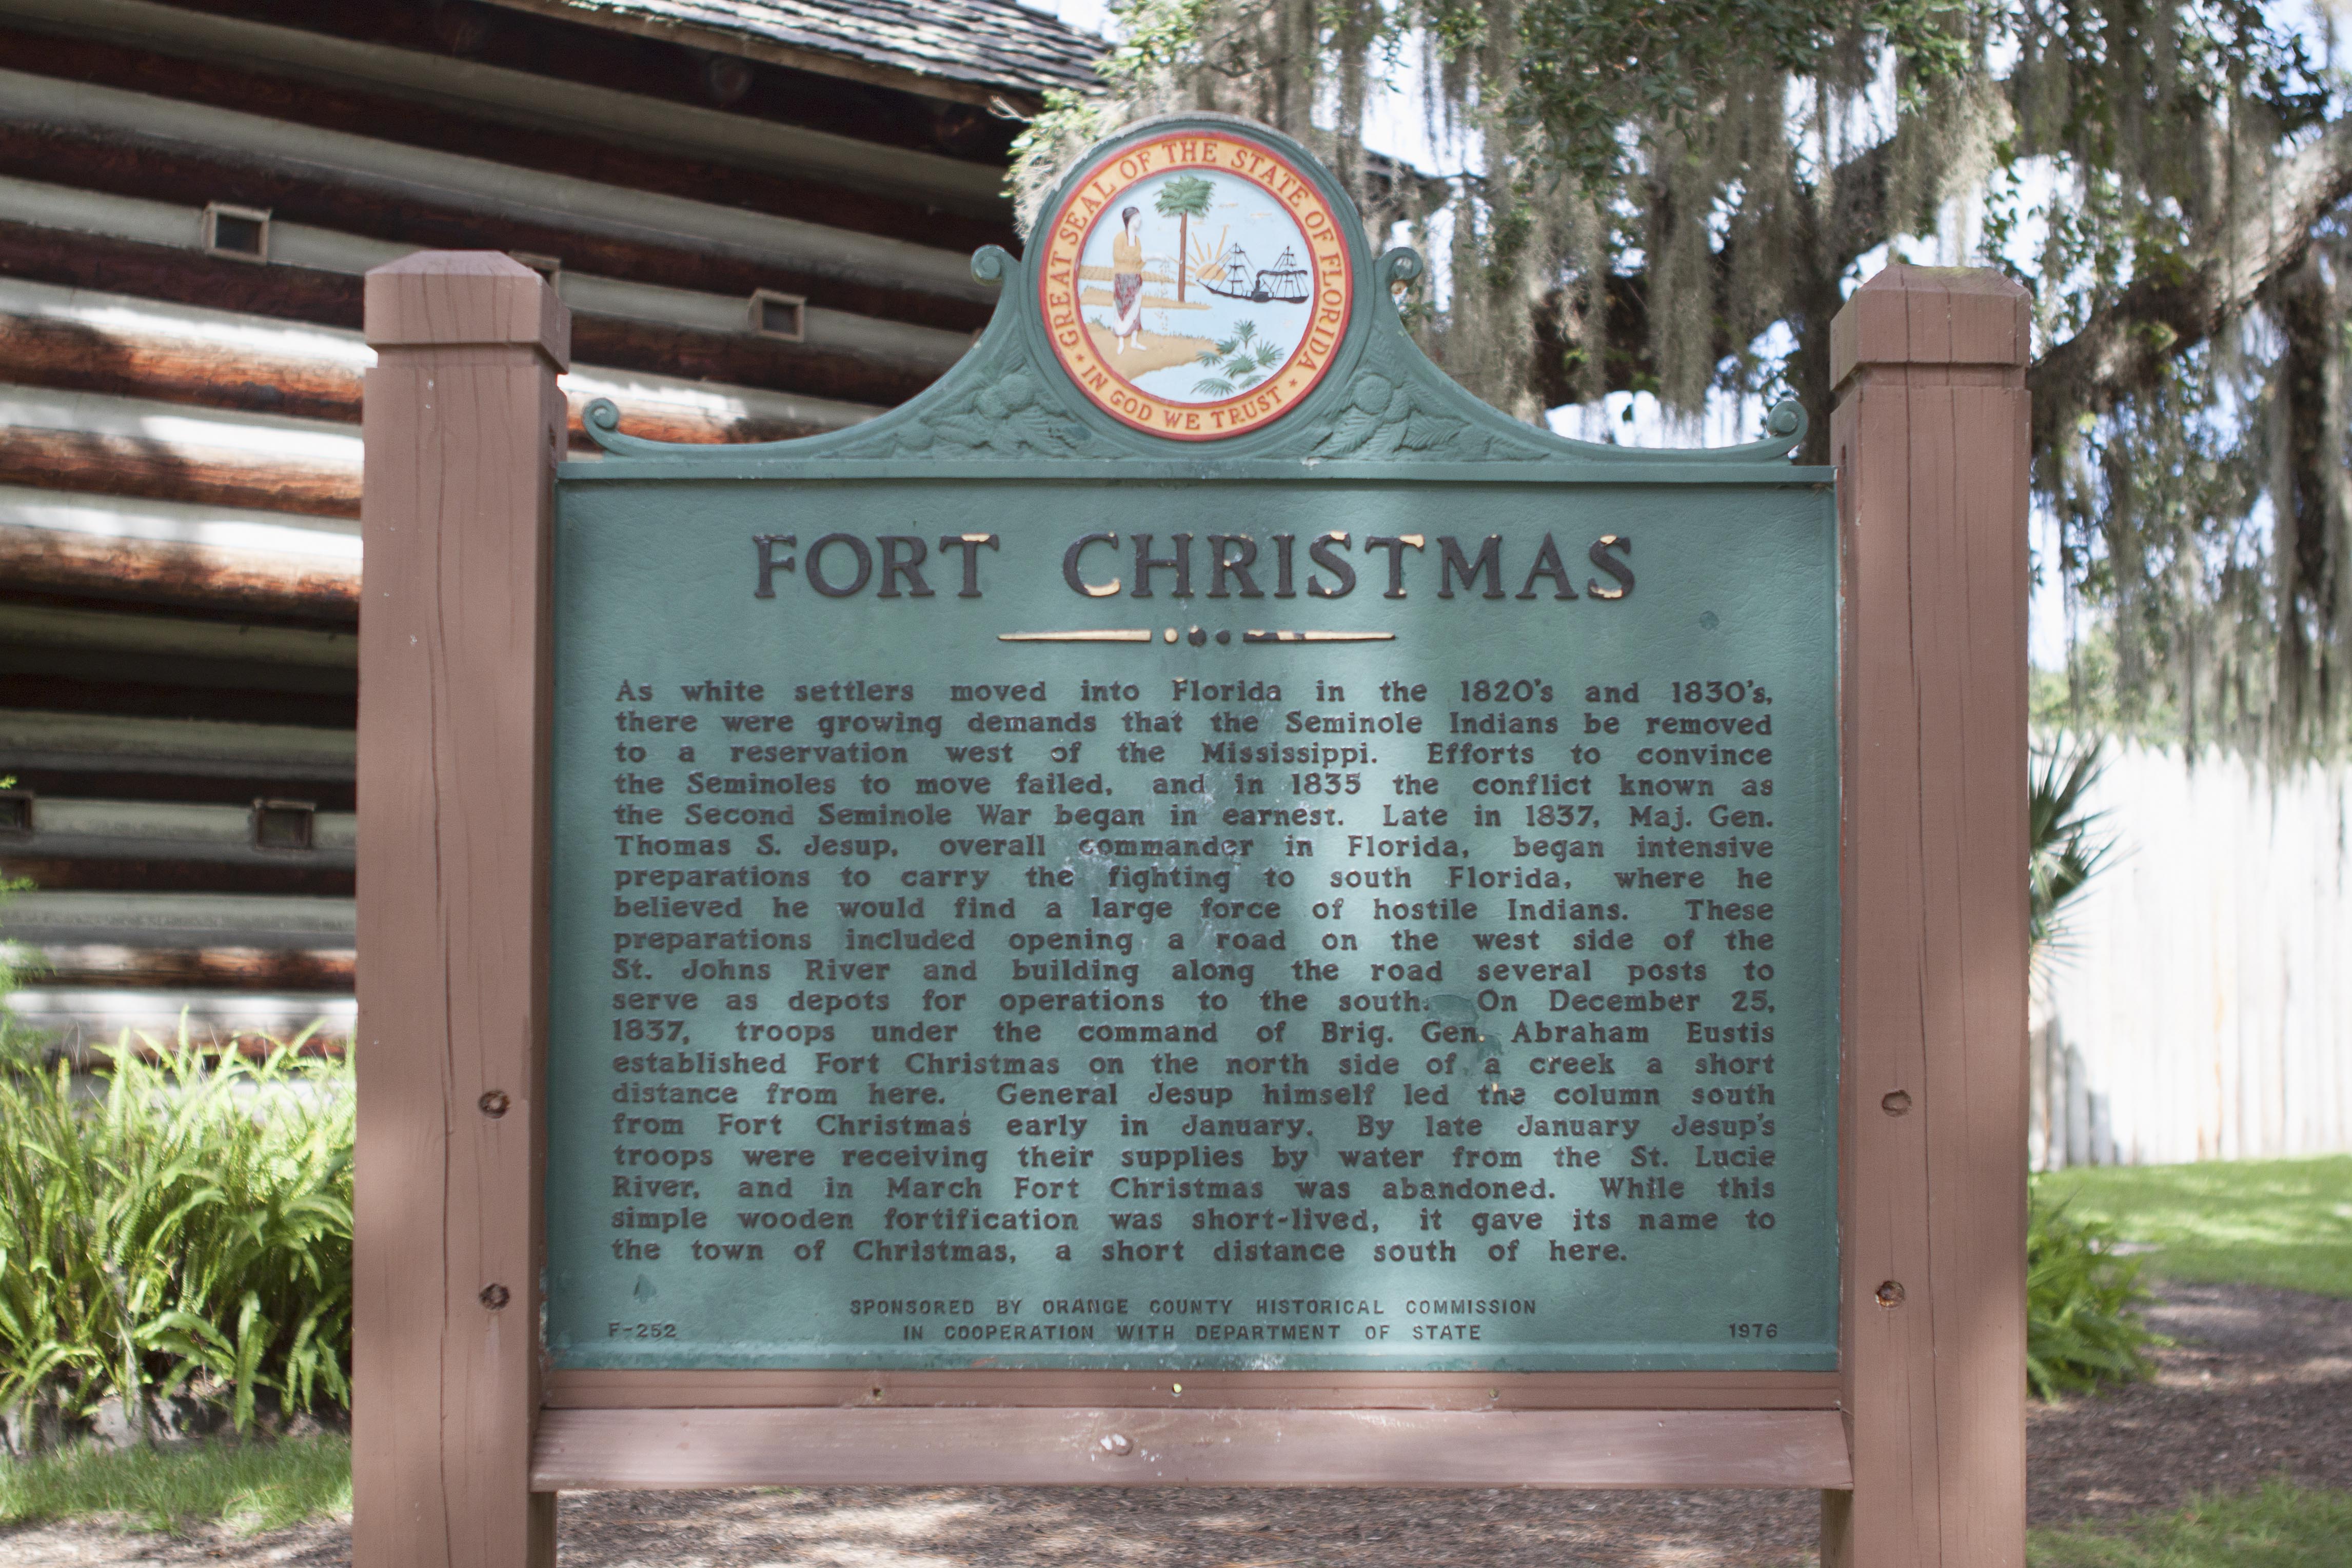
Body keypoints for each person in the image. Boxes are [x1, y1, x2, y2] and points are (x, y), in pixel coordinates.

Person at [1110, 207, 1147, 353]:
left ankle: (1134, 341)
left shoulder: (1137, 240)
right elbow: (1118, 257)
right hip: (1122, 278)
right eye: (1137, 218)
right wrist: (1138, 257)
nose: (1140, 221)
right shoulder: (1120, 238)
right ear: (1130, 220)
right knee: (1122, 308)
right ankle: (1121, 342)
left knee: (1136, 307)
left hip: (1135, 278)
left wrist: (1143, 260)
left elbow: (1138, 263)